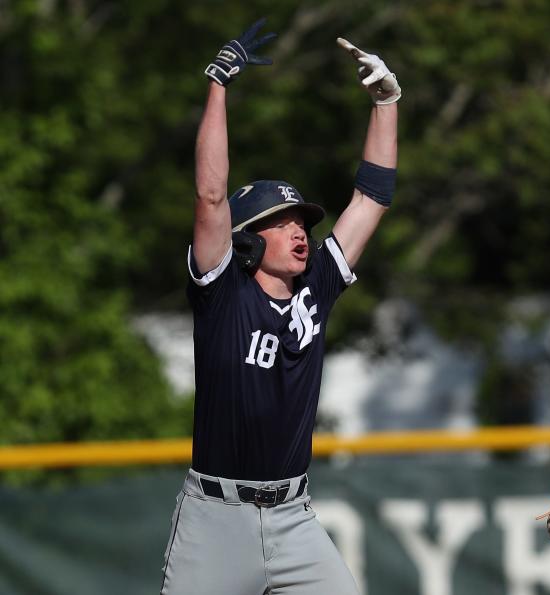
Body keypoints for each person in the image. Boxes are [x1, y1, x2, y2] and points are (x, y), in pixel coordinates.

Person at [160, 19, 400, 595]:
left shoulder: (316, 284)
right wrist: (218, 86)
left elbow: (371, 198)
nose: (299, 233)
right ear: (246, 239)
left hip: (295, 519)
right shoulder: (223, 294)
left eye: (301, 223)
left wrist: (387, 104)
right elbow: (210, 195)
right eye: (280, 223)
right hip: (215, 520)